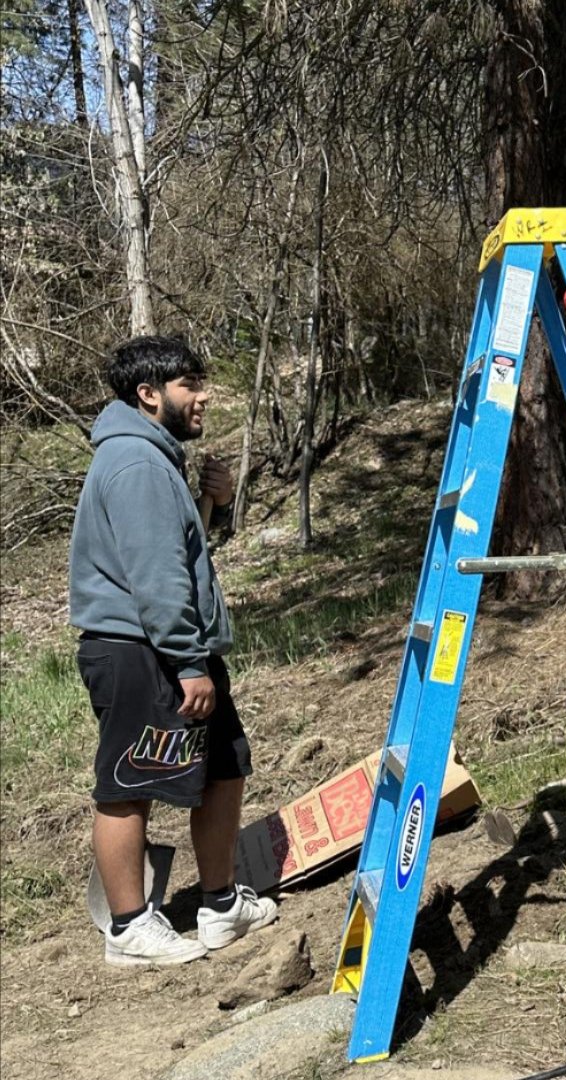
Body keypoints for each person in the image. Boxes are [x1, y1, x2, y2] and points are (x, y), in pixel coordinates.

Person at [70, 335, 277, 966]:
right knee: (129, 783)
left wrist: (214, 502)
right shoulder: (136, 464)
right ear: (149, 394)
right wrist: (188, 662)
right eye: (189, 384)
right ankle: (130, 929)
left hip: (162, 645)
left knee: (223, 767)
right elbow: (157, 577)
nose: (203, 395)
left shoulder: (156, 460)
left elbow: (183, 555)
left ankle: (219, 906)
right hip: (138, 650)